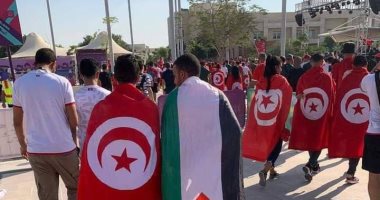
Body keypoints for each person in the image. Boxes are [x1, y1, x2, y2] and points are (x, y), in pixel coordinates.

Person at [78, 55, 161, 199]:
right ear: (138, 76)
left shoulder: (101, 107)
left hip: (109, 179)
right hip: (141, 182)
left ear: (114, 77)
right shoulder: (151, 108)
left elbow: (91, 148)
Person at [161, 54, 243, 200]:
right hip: (213, 168)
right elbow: (235, 132)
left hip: (185, 171)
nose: (174, 80)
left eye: (174, 75)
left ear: (182, 74)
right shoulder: (218, 95)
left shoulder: (173, 99)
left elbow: (168, 141)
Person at [13, 48, 79, 200]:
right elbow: (73, 119)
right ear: (53, 64)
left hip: (36, 150)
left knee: (47, 195)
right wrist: (74, 142)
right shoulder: (62, 82)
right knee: (75, 188)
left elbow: (17, 122)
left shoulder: (19, 84)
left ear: (35, 63)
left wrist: (23, 145)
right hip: (64, 148)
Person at [243, 55, 292, 187]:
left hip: (263, 120)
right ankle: (265, 170)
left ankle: (272, 171)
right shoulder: (282, 81)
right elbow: (287, 100)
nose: (281, 68)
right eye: (280, 66)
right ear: (276, 67)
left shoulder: (261, 81)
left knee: (270, 144)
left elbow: (255, 102)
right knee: (276, 146)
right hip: (276, 120)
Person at [289, 53, 335, 182]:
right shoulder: (327, 77)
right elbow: (332, 96)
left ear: (311, 62)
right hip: (322, 112)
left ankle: (314, 165)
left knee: (311, 139)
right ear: (321, 62)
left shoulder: (304, 77)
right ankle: (311, 164)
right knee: (319, 138)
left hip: (306, 112)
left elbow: (298, 95)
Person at [329, 55, 369, 184]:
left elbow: (340, 96)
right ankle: (351, 172)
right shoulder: (370, 78)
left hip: (347, 115)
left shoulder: (347, 77)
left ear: (353, 65)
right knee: (358, 143)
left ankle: (351, 171)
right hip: (365, 118)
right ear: (366, 64)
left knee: (352, 141)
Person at [74, 59, 110, 153]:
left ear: (81, 76)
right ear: (97, 74)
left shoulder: (75, 96)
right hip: (105, 141)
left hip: (84, 142)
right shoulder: (107, 95)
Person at [361, 62, 380, 200]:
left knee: (374, 174)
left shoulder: (369, 79)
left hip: (375, 132)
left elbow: (363, 88)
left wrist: (375, 69)